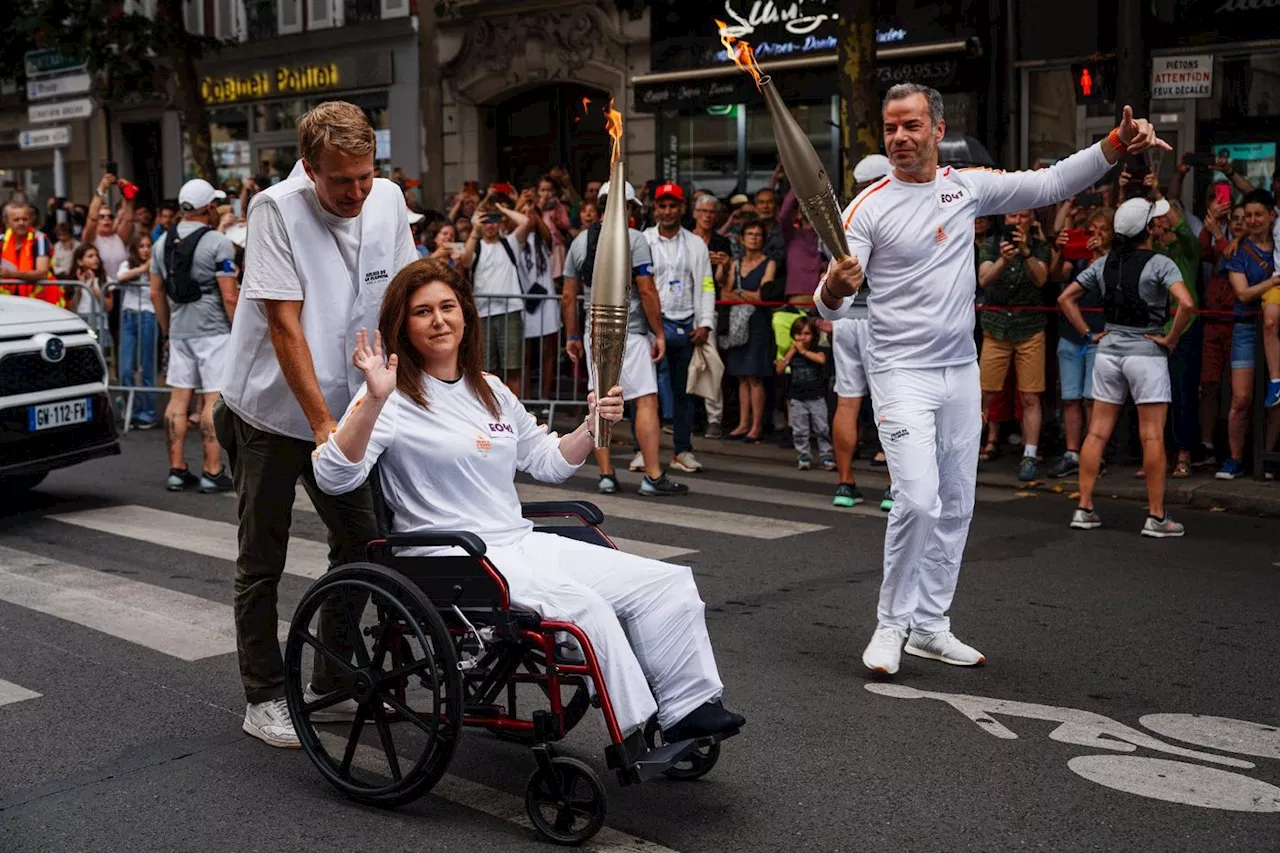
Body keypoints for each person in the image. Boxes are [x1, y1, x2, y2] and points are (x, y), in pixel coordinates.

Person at [817, 83, 1168, 676]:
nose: (900, 138)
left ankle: (930, 626)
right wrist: (837, 287)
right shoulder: (866, 207)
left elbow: (1051, 183)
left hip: (958, 370)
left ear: (936, 127)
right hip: (900, 372)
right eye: (891, 128)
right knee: (919, 502)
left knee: (957, 505)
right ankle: (890, 624)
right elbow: (827, 305)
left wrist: (1113, 145)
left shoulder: (966, 187)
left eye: (911, 126)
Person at [313, 259, 743, 740]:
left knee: (666, 583)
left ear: (466, 315)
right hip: (451, 556)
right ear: (402, 325)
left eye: (448, 307)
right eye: (422, 311)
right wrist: (371, 400)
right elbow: (333, 475)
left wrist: (591, 424)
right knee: (587, 609)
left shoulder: (491, 389)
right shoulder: (390, 397)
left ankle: (688, 707)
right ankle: (636, 727)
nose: (439, 320)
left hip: (518, 544)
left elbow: (547, 461)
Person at [213, 101, 419, 749]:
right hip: (273, 411)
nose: (356, 191)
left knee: (365, 541)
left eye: (365, 175)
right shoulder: (274, 208)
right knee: (262, 557)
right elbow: (283, 324)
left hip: (349, 401)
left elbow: (407, 294)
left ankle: (332, 675)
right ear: (309, 168)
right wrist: (322, 423)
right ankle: (264, 694)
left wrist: (418, 391)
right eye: (340, 181)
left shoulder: (386, 199)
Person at [1058, 197, 1194, 537]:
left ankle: (1084, 507)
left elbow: (1065, 298)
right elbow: (1187, 303)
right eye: (1156, 222)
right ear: (1148, 229)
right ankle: (1156, 517)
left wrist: (1089, 334)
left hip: (1108, 352)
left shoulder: (1104, 263)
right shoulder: (1161, 263)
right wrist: (1170, 338)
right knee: (1152, 435)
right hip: (1146, 354)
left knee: (1097, 432)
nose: (1160, 226)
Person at [562, 180, 687, 496]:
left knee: (599, 401)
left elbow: (568, 296)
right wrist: (658, 332)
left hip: (595, 333)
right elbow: (646, 289)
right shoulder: (635, 239)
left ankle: (606, 475)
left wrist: (573, 335)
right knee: (645, 399)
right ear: (629, 208)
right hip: (630, 333)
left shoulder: (579, 242)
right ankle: (653, 475)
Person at [150, 179, 238, 492]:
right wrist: (238, 329)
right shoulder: (218, 242)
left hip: (180, 330)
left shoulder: (161, 243)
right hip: (213, 331)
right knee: (213, 400)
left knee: (178, 401)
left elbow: (155, 293)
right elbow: (229, 296)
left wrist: (168, 330)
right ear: (210, 207)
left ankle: (177, 469)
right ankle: (212, 471)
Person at [829, 154, 894, 511]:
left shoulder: (845, 217)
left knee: (847, 401)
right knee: (887, 403)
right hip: (877, 318)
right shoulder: (886, 212)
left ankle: (845, 483)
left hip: (844, 320)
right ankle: (892, 488)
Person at [643, 182, 715, 474]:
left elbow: (707, 284)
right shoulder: (643, 240)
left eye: (673, 206)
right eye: (663, 206)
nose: (668, 211)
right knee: (646, 393)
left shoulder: (696, 243)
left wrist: (706, 322)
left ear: (683, 209)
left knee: (684, 392)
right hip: (651, 327)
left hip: (686, 324)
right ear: (655, 209)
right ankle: (641, 451)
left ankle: (682, 450)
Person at [977, 209, 1052, 482]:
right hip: (996, 327)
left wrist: (1026, 252)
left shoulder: (1040, 247)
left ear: (1032, 220)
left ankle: (1030, 454)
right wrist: (1003, 259)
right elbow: (984, 280)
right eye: (1012, 217)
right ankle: (968, 450)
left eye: (1022, 217)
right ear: (1004, 220)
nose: (1017, 221)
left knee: (1030, 395)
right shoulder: (990, 244)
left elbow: (1042, 279)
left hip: (1029, 327)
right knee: (984, 394)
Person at [1217, 190, 1280, 478]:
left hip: (1274, 329)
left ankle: (1265, 458)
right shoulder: (1237, 251)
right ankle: (1235, 458)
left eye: (1258, 215)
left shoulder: (1278, 245)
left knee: (1276, 399)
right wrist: (1274, 281)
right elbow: (1242, 294)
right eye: (1248, 216)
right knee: (1241, 399)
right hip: (1245, 329)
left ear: (1271, 217)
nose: (1253, 220)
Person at [1047, 208, 1112, 478]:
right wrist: (1062, 251)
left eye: (1102, 229)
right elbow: (1056, 277)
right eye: (1091, 229)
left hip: (1099, 334)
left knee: (1091, 399)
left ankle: (1093, 452)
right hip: (1071, 335)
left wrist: (1101, 256)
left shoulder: (1114, 261)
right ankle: (1072, 453)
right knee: (1071, 398)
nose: (1096, 234)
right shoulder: (1078, 258)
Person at [456, 198, 533, 397]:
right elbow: (465, 261)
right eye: (486, 220)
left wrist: (500, 208)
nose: (490, 225)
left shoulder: (510, 243)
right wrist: (475, 229)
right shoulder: (477, 246)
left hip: (511, 311)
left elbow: (525, 222)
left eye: (494, 220)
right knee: (487, 369)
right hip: (484, 313)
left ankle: (515, 410)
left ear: (500, 222)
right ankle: (490, 409)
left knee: (513, 366)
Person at [723, 221, 777, 441]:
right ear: (742, 239)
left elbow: (764, 294)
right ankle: (743, 423)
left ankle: (756, 426)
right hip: (737, 325)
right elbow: (726, 294)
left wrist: (738, 292)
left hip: (758, 323)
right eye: (749, 234)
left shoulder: (769, 263)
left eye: (757, 234)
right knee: (741, 376)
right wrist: (745, 293)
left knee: (755, 376)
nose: (754, 237)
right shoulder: (735, 263)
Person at [690, 194, 731, 439]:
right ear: (695, 213)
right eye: (703, 211)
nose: (707, 216)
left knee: (711, 364)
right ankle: (689, 418)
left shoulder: (721, 242)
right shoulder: (684, 237)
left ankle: (714, 419)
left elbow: (722, 283)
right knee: (686, 366)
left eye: (711, 213)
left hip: (710, 308)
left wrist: (723, 266)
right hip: (683, 308)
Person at [777, 316, 833, 469]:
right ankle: (804, 455)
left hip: (817, 397)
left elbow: (821, 360)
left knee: (822, 428)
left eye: (806, 333)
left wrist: (803, 352)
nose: (802, 337)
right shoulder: (792, 352)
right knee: (800, 429)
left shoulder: (818, 349)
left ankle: (826, 456)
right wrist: (791, 352)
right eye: (798, 334)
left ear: (813, 335)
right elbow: (779, 369)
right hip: (797, 398)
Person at [116, 233, 159, 429]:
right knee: (125, 368)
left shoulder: (158, 267)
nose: (145, 249)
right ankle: (131, 409)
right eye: (141, 246)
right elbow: (120, 277)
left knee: (147, 367)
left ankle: (147, 412)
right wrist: (142, 269)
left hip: (148, 316)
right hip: (129, 316)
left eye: (148, 245)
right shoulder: (128, 264)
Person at [1, 201, 61, 306]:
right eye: (16, 220)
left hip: (41, 302)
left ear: (31, 220)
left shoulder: (40, 239)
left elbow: (42, 273)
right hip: (9, 302)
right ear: (6, 222)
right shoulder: (1, 241)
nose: (21, 223)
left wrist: (10, 274)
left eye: (25, 219)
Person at [81, 173, 134, 280]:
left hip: (122, 290)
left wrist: (127, 192)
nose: (106, 219)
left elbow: (128, 219)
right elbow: (92, 217)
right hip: (100, 291)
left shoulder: (120, 238)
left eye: (110, 216)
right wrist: (102, 187)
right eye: (102, 216)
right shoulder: (91, 239)